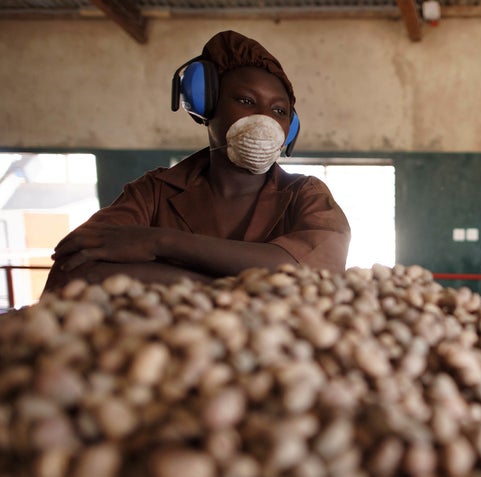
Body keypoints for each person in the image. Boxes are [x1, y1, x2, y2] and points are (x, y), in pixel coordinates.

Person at [43, 30, 350, 293]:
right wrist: (244, 285)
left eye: (279, 111)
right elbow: (75, 270)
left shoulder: (307, 195)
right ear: (205, 102)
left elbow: (314, 272)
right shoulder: (153, 193)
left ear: (290, 128)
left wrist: (159, 243)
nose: (264, 120)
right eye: (245, 101)